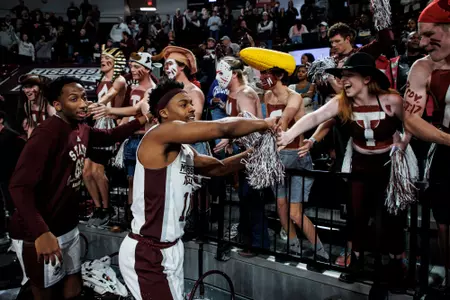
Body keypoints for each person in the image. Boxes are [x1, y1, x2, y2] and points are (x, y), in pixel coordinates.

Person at [118, 79, 277, 300]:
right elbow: (222, 127)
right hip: (147, 251)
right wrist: (265, 123)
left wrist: (255, 151)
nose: (192, 108)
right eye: (183, 104)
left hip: (171, 248)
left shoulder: (184, 149)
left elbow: (219, 168)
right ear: (163, 112)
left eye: (191, 103)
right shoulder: (158, 134)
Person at [8, 76, 152, 299]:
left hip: (67, 225)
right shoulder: (46, 133)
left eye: (84, 97)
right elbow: (18, 187)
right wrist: (41, 232)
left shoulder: (81, 127)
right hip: (40, 230)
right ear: (57, 105)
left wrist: (143, 119)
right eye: (74, 99)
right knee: (44, 291)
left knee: (73, 281)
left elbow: (110, 136)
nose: (84, 103)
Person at [278, 52, 407, 284]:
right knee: (357, 217)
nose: (344, 80)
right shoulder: (341, 102)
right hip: (359, 164)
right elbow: (315, 117)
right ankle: (356, 262)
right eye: (342, 75)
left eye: (350, 75)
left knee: (391, 218)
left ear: (367, 78)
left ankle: (396, 265)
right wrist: (290, 134)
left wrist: (402, 143)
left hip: (389, 166)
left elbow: (413, 125)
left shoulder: (392, 101)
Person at [240, 47, 327, 260]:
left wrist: (277, 127)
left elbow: (285, 118)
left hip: (296, 158)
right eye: (260, 73)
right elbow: (263, 123)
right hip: (278, 160)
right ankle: (293, 247)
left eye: (265, 73)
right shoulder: (267, 96)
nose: (262, 77)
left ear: (278, 75)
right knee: (280, 208)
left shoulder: (294, 96)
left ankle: (322, 253)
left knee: (295, 213)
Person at [402, 0, 450, 288]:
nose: (422, 43)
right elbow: (411, 120)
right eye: (420, 36)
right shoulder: (425, 67)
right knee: (445, 221)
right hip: (446, 151)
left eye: (429, 34)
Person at [83, 46, 128, 227]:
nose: (102, 60)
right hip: (96, 124)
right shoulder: (101, 78)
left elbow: (108, 97)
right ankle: (98, 207)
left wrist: (91, 106)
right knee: (86, 171)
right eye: (101, 57)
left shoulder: (120, 80)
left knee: (98, 171)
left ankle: (107, 208)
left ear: (115, 62)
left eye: (106, 57)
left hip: (109, 125)